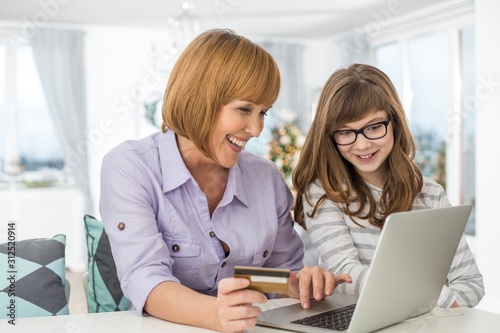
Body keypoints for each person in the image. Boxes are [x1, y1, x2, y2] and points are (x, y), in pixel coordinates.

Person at [100, 29, 351, 333]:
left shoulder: (266, 178)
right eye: (245, 109)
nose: (256, 129)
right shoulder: (131, 166)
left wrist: (298, 284)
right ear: (199, 99)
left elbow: (277, 272)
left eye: (263, 113)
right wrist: (214, 313)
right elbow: (144, 276)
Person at [293, 63, 484, 309]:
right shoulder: (324, 193)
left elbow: (471, 284)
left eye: (373, 127)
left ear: (394, 123)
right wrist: (433, 297)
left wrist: (424, 303)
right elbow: (346, 274)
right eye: (345, 132)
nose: (361, 145)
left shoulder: (431, 194)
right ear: (330, 135)